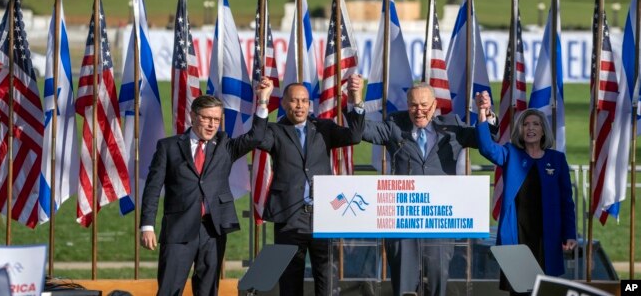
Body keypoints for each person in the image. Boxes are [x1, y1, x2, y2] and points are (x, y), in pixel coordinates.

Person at [140, 77, 273, 296]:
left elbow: (256, 136)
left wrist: (263, 101)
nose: (212, 124)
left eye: (216, 120)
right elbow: (153, 188)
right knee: (169, 290)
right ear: (193, 116)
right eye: (207, 118)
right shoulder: (169, 147)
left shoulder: (225, 145)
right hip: (178, 230)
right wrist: (147, 226)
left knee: (207, 290)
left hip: (213, 230)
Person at [360, 82, 496, 296]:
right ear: (407, 105)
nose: (418, 110)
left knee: (437, 282)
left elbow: (487, 140)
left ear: (434, 106)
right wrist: (356, 103)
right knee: (404, 286)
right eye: (413, 105)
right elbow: (364, 130)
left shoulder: (453, 126)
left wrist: (483, 113)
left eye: (424, 105)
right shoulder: (395, 124)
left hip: (440, 222)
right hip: (402, 221)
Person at [259, 74, 365, 296]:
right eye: (295, 100)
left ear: (310, 104)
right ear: (285, 103)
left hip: (323, 216)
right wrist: (262, 102)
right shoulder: (274, 131)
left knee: (326, 281)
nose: (300, 106)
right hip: (289, 218)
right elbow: (257, 138)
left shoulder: (323, 127)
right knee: (290, 284)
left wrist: (355, 99)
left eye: (304, 101)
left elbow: (355, 136)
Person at [476, 107, 577, 295]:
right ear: (520, 130)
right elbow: (486, 148)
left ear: (543, 130)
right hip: (518, 235)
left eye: (536, 124)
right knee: (519, 289)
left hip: (547, 236)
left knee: (545, 290)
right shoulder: (510, 153)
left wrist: (569, 233)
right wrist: (482, 116)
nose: (530, 128)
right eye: (525, 124)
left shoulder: (557, 159)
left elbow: (566, 202)